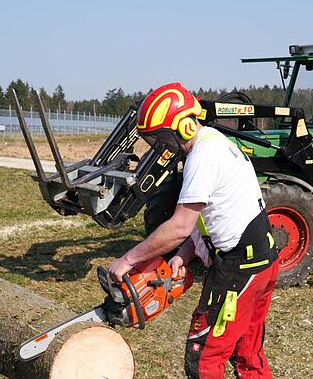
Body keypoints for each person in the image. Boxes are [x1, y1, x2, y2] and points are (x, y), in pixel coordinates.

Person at [109, 82, 280, 378]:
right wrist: (185, 254)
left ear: (184, 127)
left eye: (160, 139)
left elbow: (179, 226)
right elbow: (213, 215)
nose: (158, 146)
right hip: (262, 260)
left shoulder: (203, 156)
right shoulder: (214, 141)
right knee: (247, 351)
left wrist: (129, 260)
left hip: (239, 268)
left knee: (205, 357)